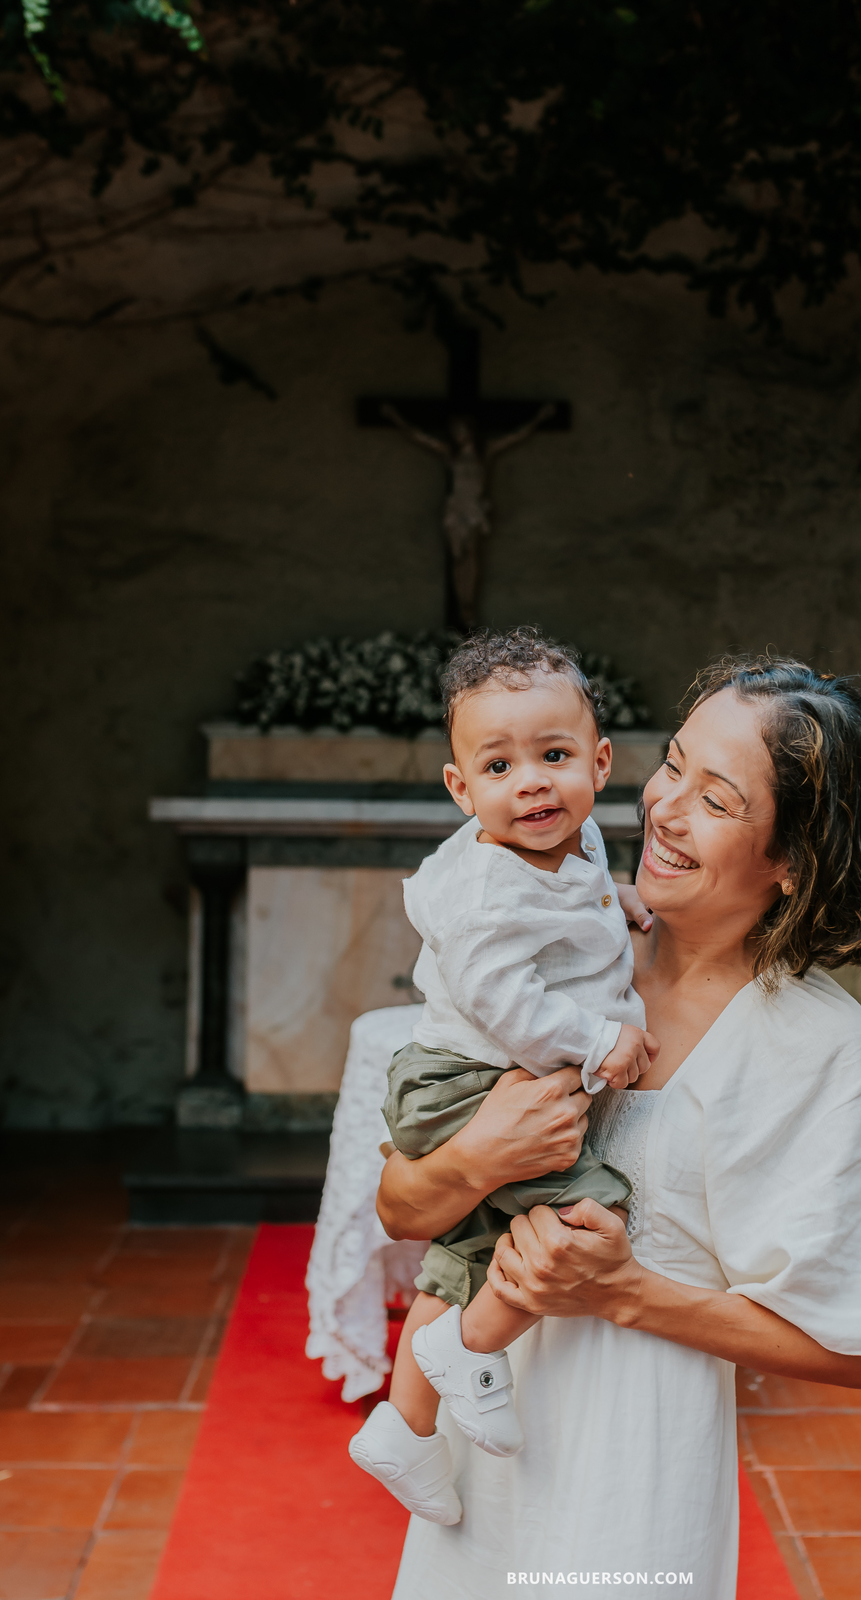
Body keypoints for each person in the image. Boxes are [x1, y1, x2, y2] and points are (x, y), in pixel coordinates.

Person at [376, 654, 861, 1598]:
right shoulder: (561, 954)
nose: (665, 809)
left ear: (794, 858)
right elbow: (401, 1205)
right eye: (673, 766)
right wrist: (478, 1156)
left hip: (633, 1481)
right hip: (476, 1469)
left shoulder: (812, 1042)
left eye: (716, 799)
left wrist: (626, 1292)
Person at [350, 630, 659, 1523]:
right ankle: (471, 1345)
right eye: (499, 765)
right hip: (463, 1082)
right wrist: (599, 1040)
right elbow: (507, 1004)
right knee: (587, 1211)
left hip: (471, 1075)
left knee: (467, 1251)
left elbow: (579, 897)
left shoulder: (572, 837)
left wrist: (618, 901)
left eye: (554, 756)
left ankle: (404, 1429)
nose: (532, 782)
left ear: (600, 763)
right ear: (461, 788)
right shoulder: (489, 891)